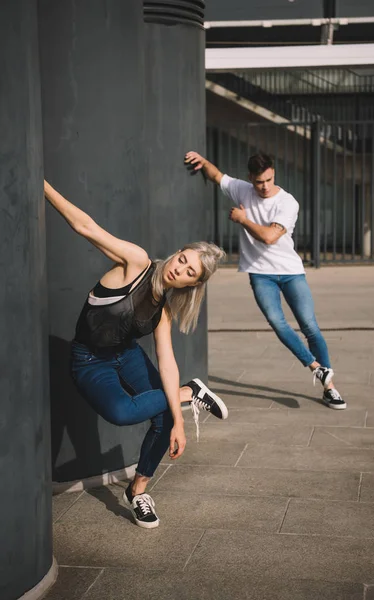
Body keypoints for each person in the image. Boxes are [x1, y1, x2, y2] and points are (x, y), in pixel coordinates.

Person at [44, 180, 228, 529]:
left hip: (124, 354)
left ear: (192, 285)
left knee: (164, 419)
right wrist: (41, 184)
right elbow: (85, 226)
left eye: (190, 273)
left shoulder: (164, 311)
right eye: (183, 260)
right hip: (88, 359)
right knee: (120, 411)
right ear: (177, 252)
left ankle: (138, 491)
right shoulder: (137, 262)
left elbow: (167, 360)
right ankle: (192, 392)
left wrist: (178, 421)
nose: (181, 269)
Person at [184, 151, 346, 410]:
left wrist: (243, 219)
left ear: (274, 174)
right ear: (251, 178)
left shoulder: (288, 202)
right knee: (277, 322)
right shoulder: (242, 189)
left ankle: (330, 389)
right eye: (259, 182)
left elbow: (270, 237)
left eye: (269, 179)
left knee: (310, 326)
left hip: (291, 271)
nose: (265, 186)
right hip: (260, 274)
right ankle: (318, 368)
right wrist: (202, 161)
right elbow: (217, 176)